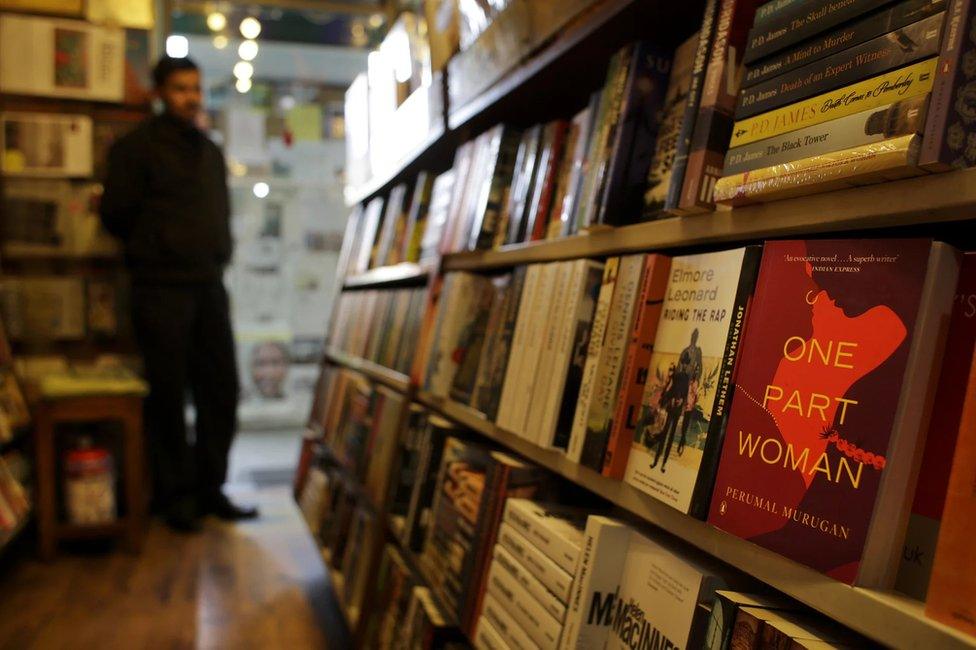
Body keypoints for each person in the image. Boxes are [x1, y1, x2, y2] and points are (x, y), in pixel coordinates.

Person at [100, 56, 257, 532]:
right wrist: (157, 248)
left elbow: (219, 214)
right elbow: (115, 215)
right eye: (180, 89)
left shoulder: (208, 151)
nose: (190, 97)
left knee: (221, 389)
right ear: (160, 93)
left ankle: (212, 488)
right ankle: (175, 497)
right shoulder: (135, 149)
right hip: (159, 289)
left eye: (195, 88)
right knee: (168, 395)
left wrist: (219, 253)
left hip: (208, 286)